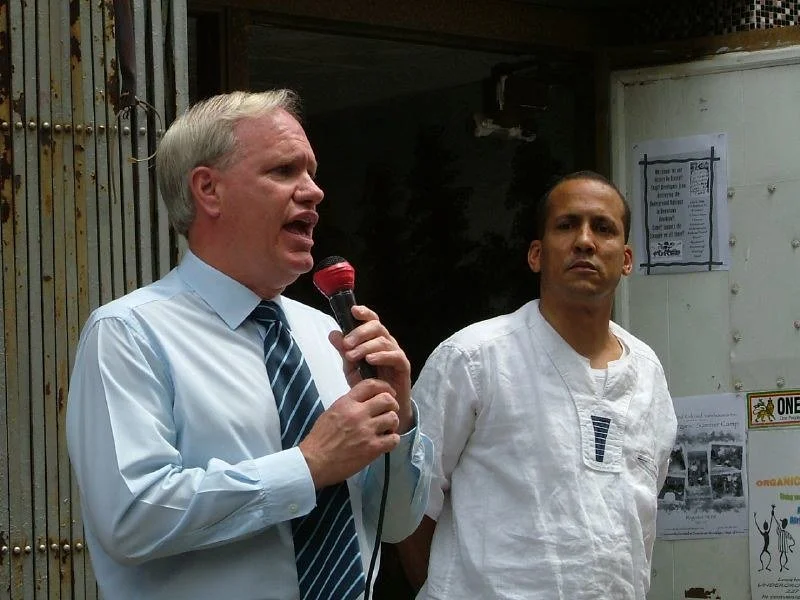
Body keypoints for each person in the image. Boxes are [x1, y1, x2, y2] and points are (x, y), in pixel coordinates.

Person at [66, 90, 432, 600]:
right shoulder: (129, 333)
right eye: (284, 170)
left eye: (312, 173)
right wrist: (308, 465)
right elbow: (132, 516)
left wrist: (401, 420)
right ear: (208, 190)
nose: (314, 192)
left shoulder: (328, 335)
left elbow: (394, 525)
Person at [397, 171, 677, 599]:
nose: (585, 241)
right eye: (566, 225)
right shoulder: (474, 358)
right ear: (536, 254)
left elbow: (639, 515)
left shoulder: (647, 372)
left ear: (626, 259)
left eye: (603, 228)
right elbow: (408, 506)